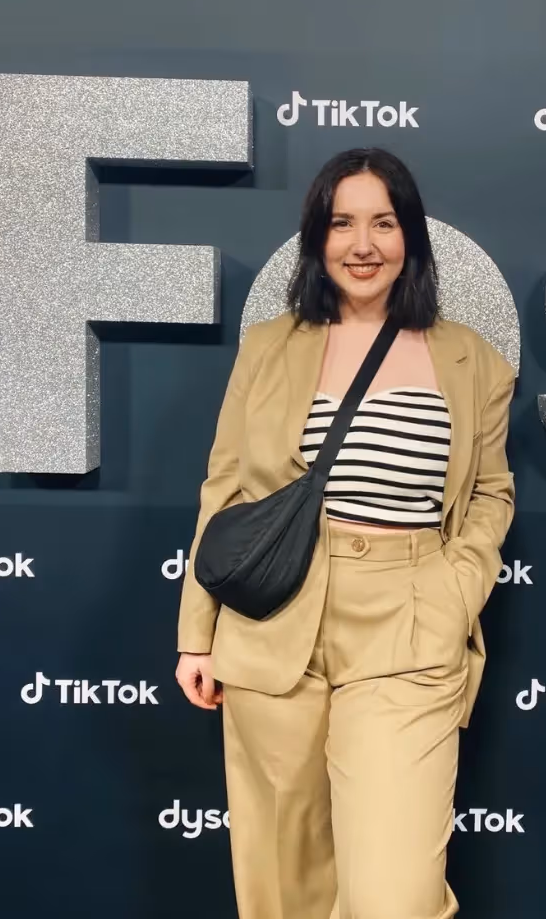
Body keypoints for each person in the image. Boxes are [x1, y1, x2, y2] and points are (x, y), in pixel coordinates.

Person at [175, 147, 516, 919]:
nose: (362, 244)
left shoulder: (472, 360)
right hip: (274, 619)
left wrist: (455, 589)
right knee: (283, 884)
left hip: (410, 618)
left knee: (393, 895)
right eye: (342, 223)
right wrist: (197, 635)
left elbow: (492, 493)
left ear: (411, 237)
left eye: (383, 223)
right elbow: (224, 489)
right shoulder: (269, 346)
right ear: (316, 238)